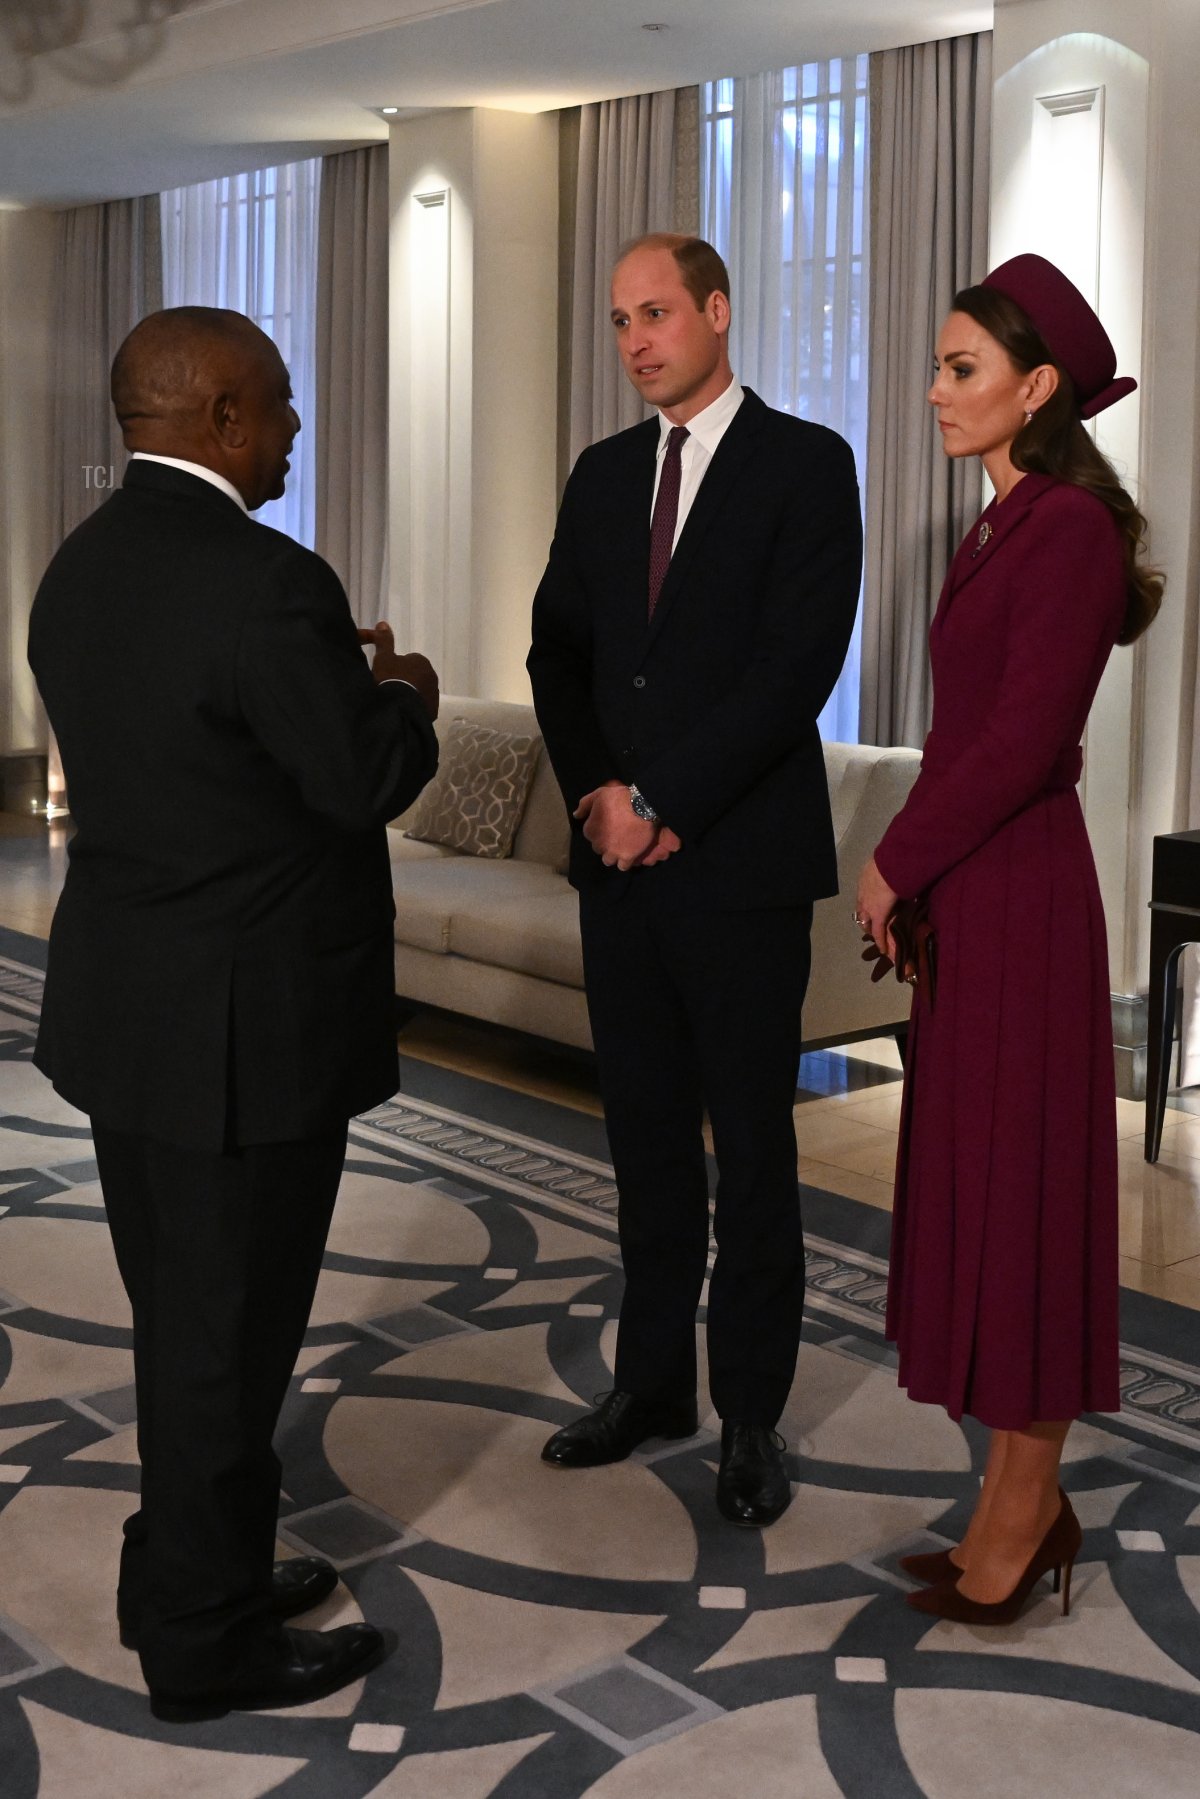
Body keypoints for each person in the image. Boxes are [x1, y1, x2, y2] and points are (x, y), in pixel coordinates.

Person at [28, 306, 440, 1719]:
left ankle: (191, 1566)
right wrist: (402, 695)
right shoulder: (270, 582)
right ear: (213, 419)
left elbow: (199, 759)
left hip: (129, 1017)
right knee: (229, 1339)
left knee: (186, 1324)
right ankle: (204, 1642)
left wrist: (331, 690)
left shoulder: (75, 571)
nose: (293, 429)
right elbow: (353, 778)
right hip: (247, 1035)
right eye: (276, 405)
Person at [528, 233, 862, 1526]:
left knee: (755, 1157)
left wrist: (664, 800)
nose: (635, 341)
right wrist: (600, 797)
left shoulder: (806, 465)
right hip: (620, 878)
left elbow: (797, 669)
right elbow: (560, 656)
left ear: (720, 310)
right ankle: (651, 1385)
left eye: (656, 312)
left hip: (740, 873)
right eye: (619, 320)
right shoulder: (604, 474)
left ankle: (753, 1419)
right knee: (645, 1147)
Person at [855, 254, 1162, 1625]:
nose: (933, 390)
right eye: (939, 364)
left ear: (1037, 389)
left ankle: (1026, 1509)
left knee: (1022, 1199)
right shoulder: (1002, 525)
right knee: (982, 1192)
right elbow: (967, 735)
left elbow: (1021, 745)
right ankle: (1008, 1502)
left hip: (1024, 894)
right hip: (976, 895)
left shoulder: (1068, 536)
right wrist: (915, 888)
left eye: (962, 368)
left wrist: (893, 861)